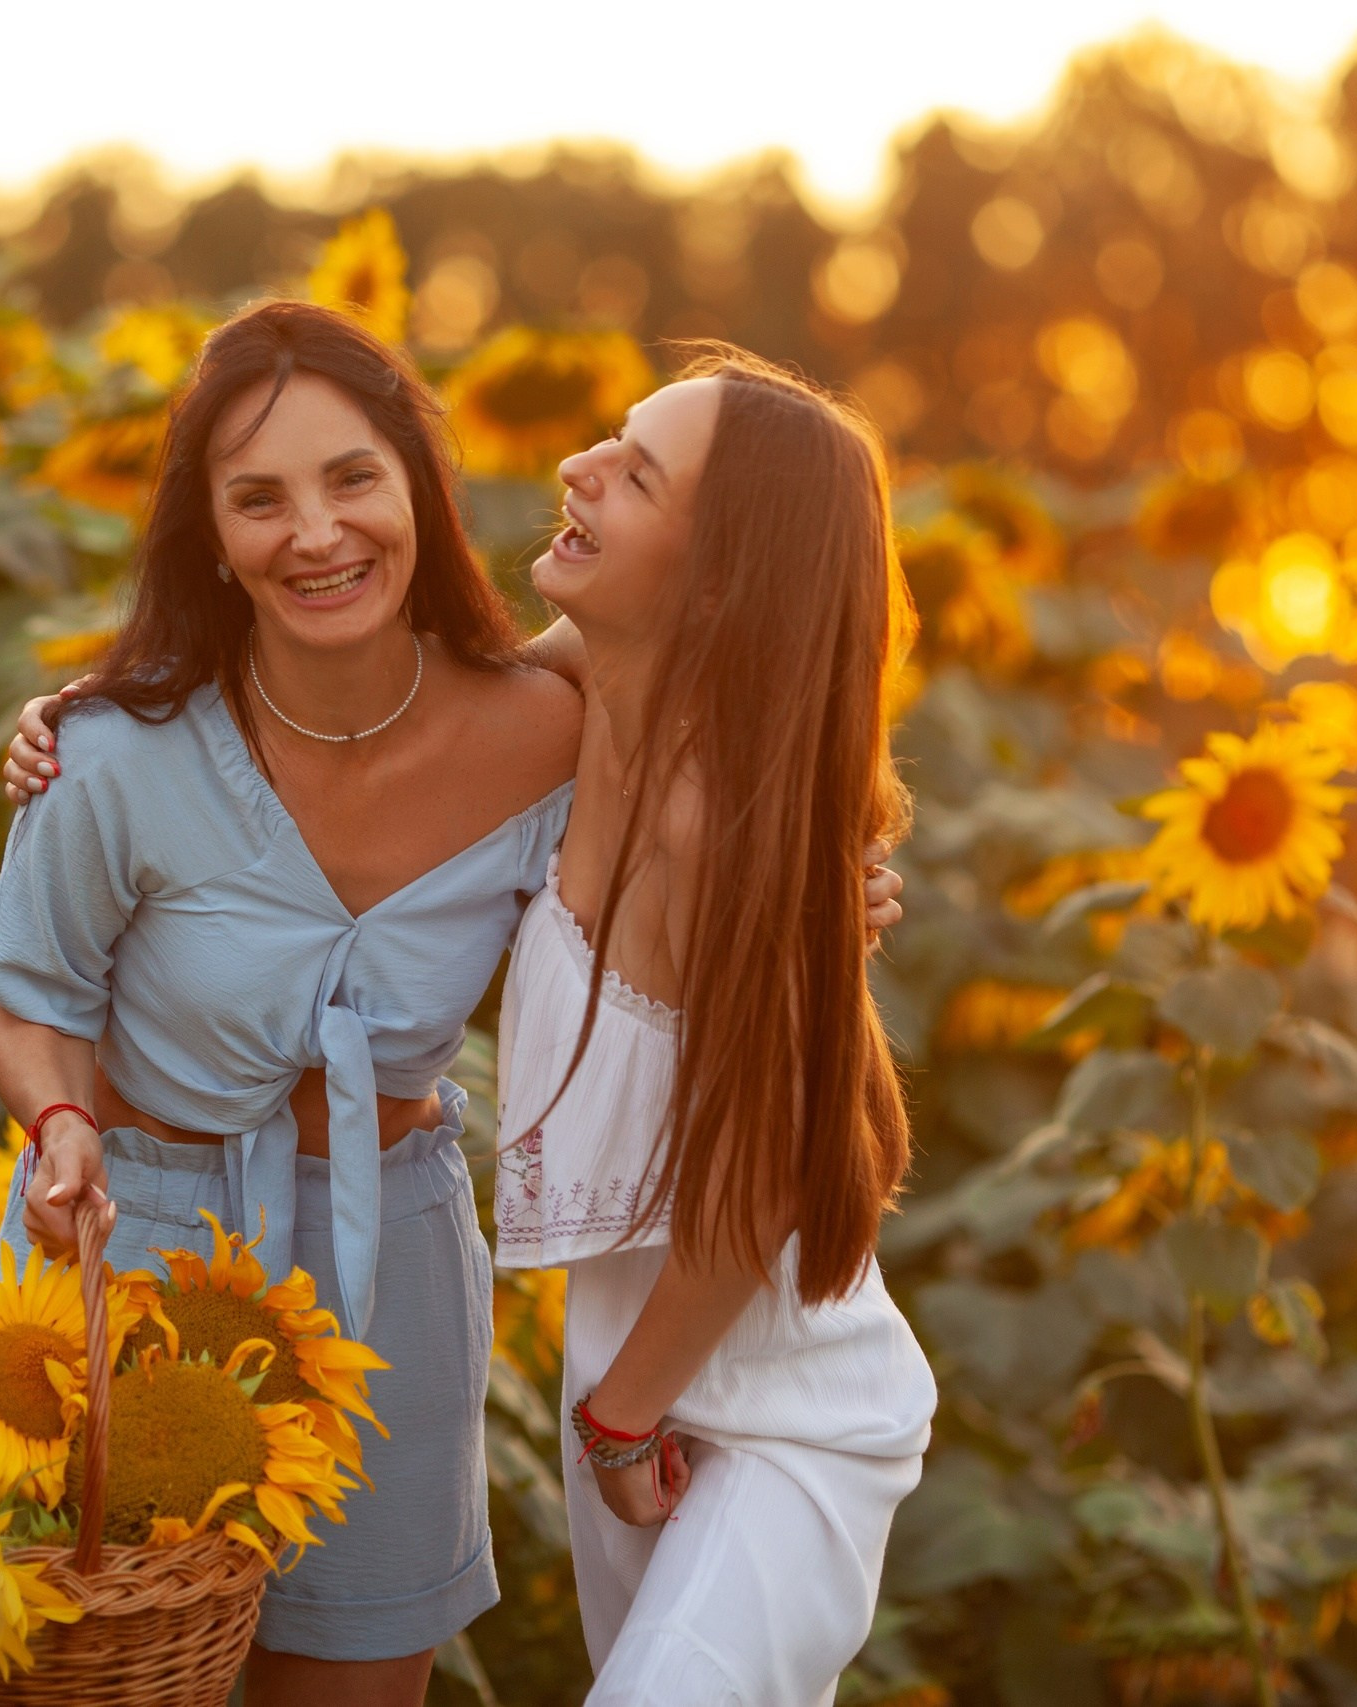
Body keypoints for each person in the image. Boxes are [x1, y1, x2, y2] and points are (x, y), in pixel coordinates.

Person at [0, 305, 902, 1704]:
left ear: (416, 484)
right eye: (257, 498)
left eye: (353, 477)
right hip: (142, 1246)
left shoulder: (600, 753)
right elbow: (34, 987)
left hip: (452, 1291)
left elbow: (745, 693)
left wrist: (832, 887)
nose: (315, 532)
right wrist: (59, 1114)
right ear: (209, 536)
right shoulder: (136, 754)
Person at [490, 352, 935, 1706]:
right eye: (609, 443)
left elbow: (763, 1185)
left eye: (637, 477)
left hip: (776, 1418)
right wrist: (89, 726)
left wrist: (618, 1422)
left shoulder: (722, 824)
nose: (578, 471)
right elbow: (351, 729)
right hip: (637, 1378)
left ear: (722, 584)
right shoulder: (577, 689)